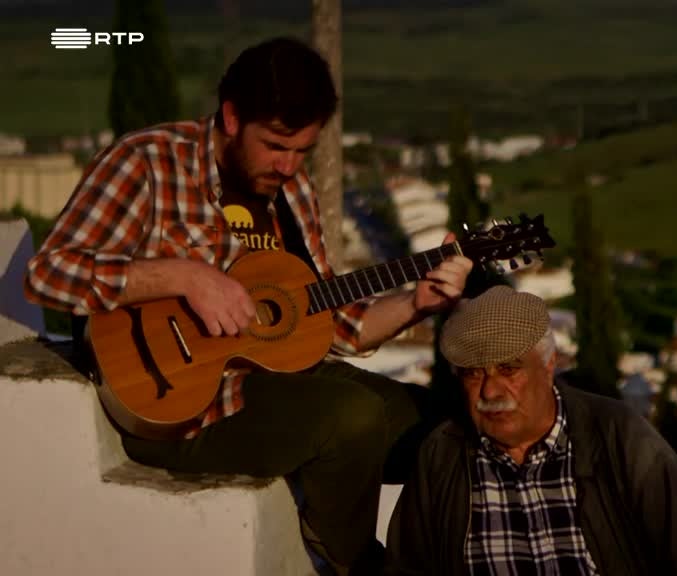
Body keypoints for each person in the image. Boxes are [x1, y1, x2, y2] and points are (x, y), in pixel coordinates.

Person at [23, 37, 473, 575]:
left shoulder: (292, 191)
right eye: (277, 145)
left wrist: (418, 302)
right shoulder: (146, 162)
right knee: (352, 419)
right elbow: (48, 273)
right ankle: (353, 562)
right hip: (179, 410)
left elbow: (338, 327)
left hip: (272, 385)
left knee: (441, 427)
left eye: (302, 150)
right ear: (232, 116)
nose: (288, 165)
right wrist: (184, 276)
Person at [385, 286, 677, 575]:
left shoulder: (617, 436)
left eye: (509, 369)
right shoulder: (442, 455)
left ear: (549, 365)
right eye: (474, 374)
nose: (490, 391)